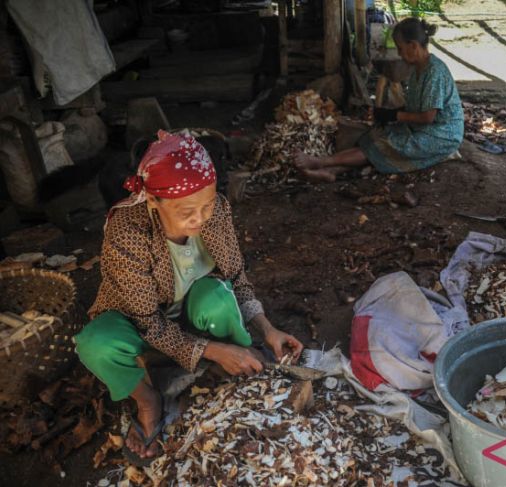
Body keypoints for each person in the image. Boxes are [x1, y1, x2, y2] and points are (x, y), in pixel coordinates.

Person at [74, 130, 304, 462]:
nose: (200, 219)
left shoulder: (218, 212)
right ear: (153, 201)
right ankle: (149, 400)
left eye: (207, 205)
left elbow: (236, 277)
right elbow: (149, 324)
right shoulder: (127, 230)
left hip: (194, 312)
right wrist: (215, 348)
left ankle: (236, 363)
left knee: (217, 295)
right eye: (187, 212)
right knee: (95, 344)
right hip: (138, 322)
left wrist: (267, 328)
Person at [294, 17, 464, 182]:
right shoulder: (418, 69)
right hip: (424, 127)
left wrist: (393, 116)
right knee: (376, 136)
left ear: (413, 46)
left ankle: (321, 162)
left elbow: (427, 117)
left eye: (400, 48)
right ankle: (331, 172)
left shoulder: (434, 72)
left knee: (387, 145)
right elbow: (414, 107)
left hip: (442, 134)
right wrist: (388, 114)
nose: (399, 53)